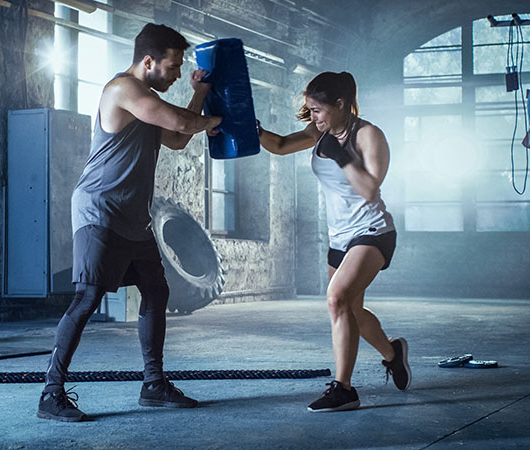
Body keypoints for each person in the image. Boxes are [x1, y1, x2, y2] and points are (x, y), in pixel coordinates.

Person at [37, 23, 222, 422]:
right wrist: (222, 119)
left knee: (156, 292)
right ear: (148, 61)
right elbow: (185, 126)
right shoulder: (123, 90)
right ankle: (50, 395)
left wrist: (201, 93)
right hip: (100, 210)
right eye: (172, 67)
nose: (175, 74)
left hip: (134, 218)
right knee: (87, 298)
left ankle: (153, 385)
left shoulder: (149, 101)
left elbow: (177, 138)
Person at [257, 71, 410, 412]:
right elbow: (281, 146)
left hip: (372, 232)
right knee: (351, 308)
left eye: (318, 110)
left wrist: (340, 156)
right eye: (310, 110)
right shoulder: (319, 131)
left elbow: (370, 190)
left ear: (340, 104)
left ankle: (344, 389)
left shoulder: (369, 135)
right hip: (339, 237)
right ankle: (392, 353)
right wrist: (255, 132)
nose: (314, 117)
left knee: (336, 299)